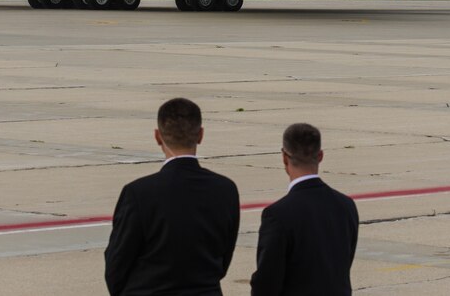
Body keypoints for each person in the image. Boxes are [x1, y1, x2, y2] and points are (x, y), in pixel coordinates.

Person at [104, 98, 240, 295]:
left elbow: (117, 265)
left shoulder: (138, 193)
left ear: (158, 137)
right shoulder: (225, 189)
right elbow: (223, 260)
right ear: (200, 135)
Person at [250, 123, 359, 296]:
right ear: (320, 155)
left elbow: (267, 281)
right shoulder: (346, 205)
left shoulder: (277, 214)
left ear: (285, 157)